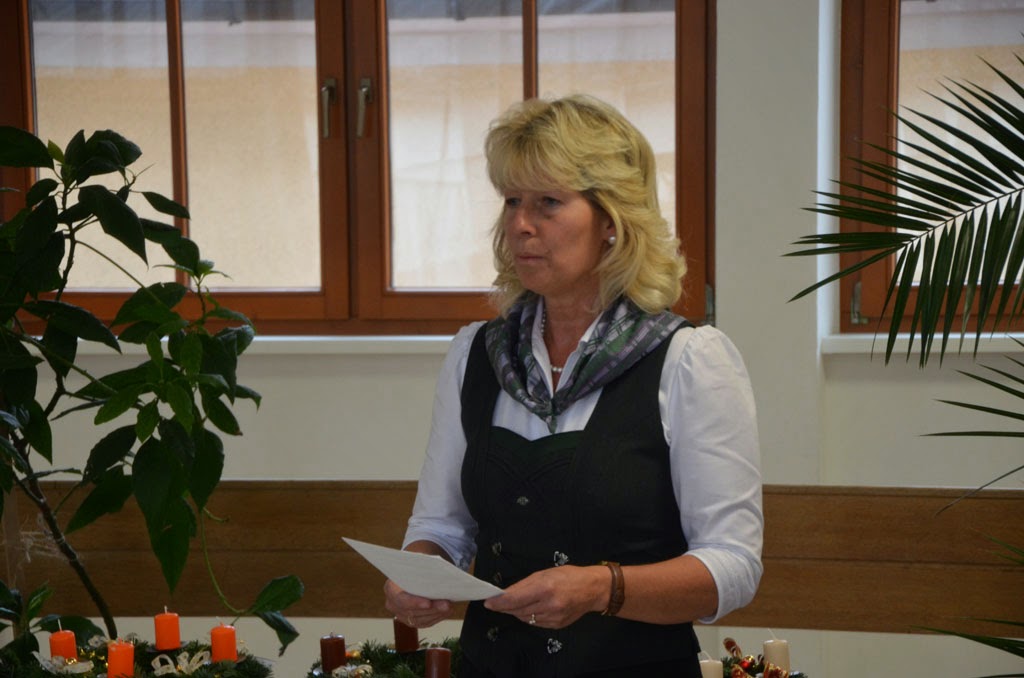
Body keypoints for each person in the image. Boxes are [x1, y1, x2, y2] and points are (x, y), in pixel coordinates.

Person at [384, 94, 762, 677]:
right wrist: (418, 572)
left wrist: (602, 589)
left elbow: (733, 566)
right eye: (512, 201)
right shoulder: (475, 355)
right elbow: (440, 525)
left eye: (548, 203)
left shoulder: (688, 361)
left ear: (612, 221)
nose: (520, 224)